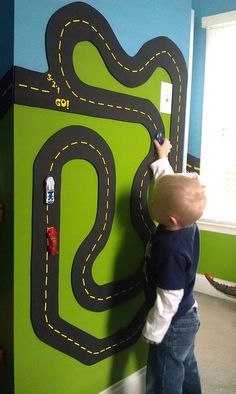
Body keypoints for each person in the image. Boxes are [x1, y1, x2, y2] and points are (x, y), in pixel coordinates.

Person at [142, 138, 207, 394]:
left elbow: (169, 297)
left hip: (173, 323)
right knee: (186, 364)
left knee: (164, 378)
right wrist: (162, 160)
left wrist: (154, 330)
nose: (152, 202)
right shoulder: (187, 222)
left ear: (170, 218)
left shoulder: (171, 250)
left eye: (154, 203)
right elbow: (170, 188)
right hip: (189, 315)